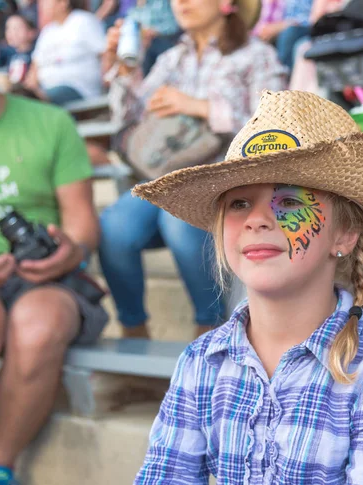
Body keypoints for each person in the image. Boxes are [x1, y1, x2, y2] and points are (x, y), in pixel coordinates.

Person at [132, 89, 363, 483]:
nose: (256, 219)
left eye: (287, 201)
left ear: (345, 234)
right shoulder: (201, 363)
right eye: (238, 204)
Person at [0, 6, 108, 485]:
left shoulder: (50, 123)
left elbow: (82, 225)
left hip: (47, 277)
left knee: (38, 324)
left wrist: (70, 251)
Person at [99, 0, 286, 340]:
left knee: (178, 217)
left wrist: (201, 108)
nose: (181, 2)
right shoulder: (171, 57)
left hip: (226, 185)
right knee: (113, 225)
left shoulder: (257, 54)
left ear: (227, 4)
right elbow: (128, 124)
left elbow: (274, 128)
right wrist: (124, 70)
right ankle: (133, 332)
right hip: (165, 179)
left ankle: (211, 329)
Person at [22, 0, 106, 105]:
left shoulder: (84, 21)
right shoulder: (47, 31)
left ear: (63, 3)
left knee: (38, 100)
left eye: (47, 2)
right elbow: (35, 66)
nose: (42, 6)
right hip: (47, 89)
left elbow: (105, 53)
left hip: (78, 89)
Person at [254, 0, 314, 70]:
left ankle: (284, 73)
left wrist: (283, 25)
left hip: (299, 29)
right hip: (270, 33)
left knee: (290, 33)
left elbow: (305, 20)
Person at [4, 13, 36, 85]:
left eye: (17, 28)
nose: (12, 33)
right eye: (8, 28)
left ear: (31, 33)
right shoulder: (9, 53)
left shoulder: (36, 54)